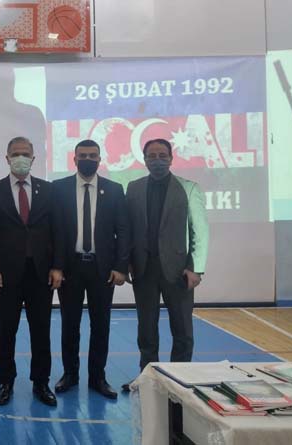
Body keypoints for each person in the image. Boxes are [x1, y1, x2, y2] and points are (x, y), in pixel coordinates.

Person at [122, 139, 209, 391]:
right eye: (152, 155)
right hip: (144, 270)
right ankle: (147, 379)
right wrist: (127, 262)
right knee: (146, 330)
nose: (157, 160)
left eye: (162, 155)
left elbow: (200, 231)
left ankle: (178, 380)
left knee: (182, 330)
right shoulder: (134, 188)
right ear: (144, 159)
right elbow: (128, 229)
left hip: (179, 271)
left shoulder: (189, 189)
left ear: (171, 158)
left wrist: (196, 268)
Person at [0, 136, 62, 407]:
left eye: (25, 153)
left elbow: (58, 231)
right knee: (6, 330)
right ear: (7, 158)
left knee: (41, 330)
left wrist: (57, 266)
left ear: (33, 158)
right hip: (7, 274)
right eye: (15, 153)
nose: (20, 158)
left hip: (41, 273)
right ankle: (5, 381)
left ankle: (41, 382)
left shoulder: (48, 191)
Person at [50, 140, 130, 400]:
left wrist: (120, 267)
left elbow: (123, 231)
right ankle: (70, 375)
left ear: (99, 159)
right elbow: (54, 231)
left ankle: (98, 377)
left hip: (102, 269)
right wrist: (56, 266)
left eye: (92, 155)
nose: (87, 159)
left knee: (101, 325)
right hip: (70, 267)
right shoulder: (59, 188)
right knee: (69, 324)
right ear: (74, 159)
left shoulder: (114, 190)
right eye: (82, 155)